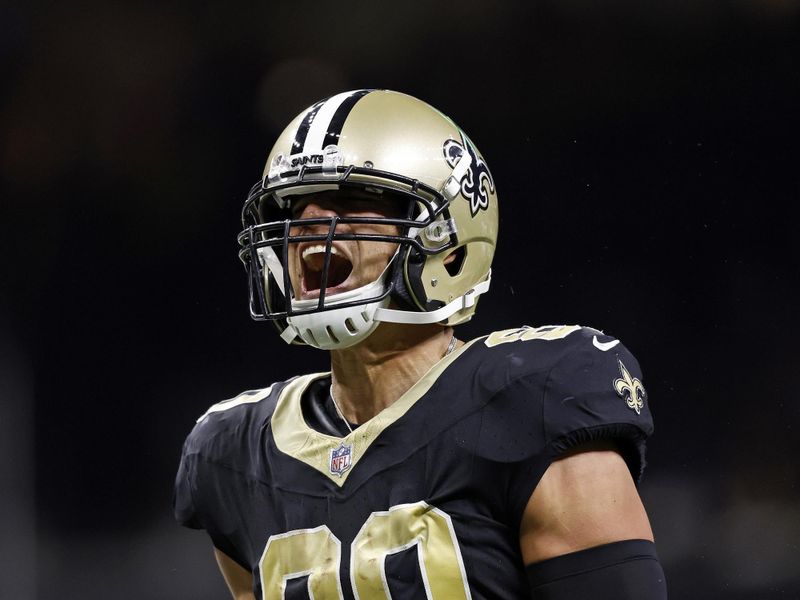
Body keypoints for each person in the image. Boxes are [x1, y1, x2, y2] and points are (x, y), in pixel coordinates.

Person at [174, 89, 667, 599]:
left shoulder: (536, 397)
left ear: (450, 242)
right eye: (293, 206)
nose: (309, 223)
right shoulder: (233, 453)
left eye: (354, 200)